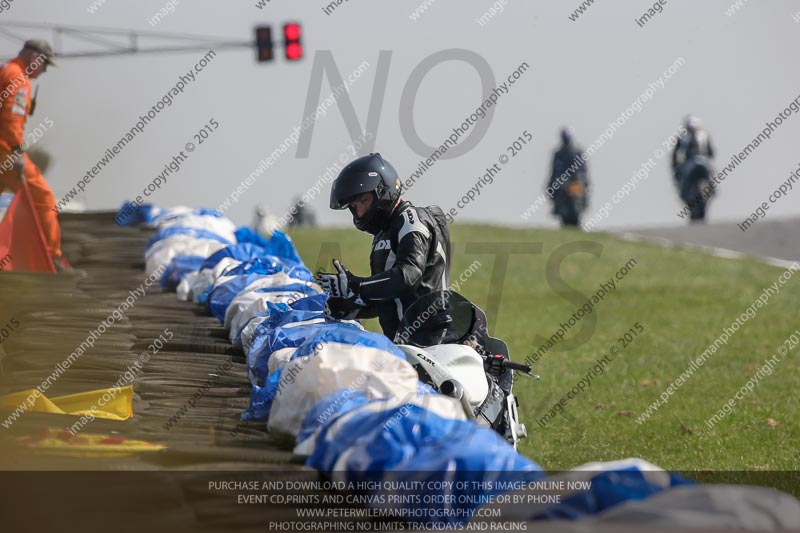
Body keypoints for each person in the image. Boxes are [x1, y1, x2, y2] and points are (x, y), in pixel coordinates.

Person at [316, 153, 451, 340]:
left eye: (364, 201)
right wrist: (351, 310)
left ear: (384, 190)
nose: (360, 211)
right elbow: (391, 299)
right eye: (354, 206)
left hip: (433, 344)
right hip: (401, 346)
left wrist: (355, 285)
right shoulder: (383, 233)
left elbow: (408, 275)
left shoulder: (411, 220)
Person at [0, 39, 63, 268]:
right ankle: (49, 258)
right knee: (44, 200)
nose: (43, 71)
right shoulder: (18, 79)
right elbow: (11, 118)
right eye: (44, 64)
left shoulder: (6, 70)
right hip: (4, 152)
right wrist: (16, 151)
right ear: (34, 57)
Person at [672, 115, 715, 220]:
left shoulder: (683, 136)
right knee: (710, 177)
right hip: (703, 163)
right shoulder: (704, 134)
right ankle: (711, 188)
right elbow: (711, 152)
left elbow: (676, 154)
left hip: (690, 163)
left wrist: (675, 166)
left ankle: (709, 188)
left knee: (682, 184)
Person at [548, 127, 589, 227]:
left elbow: (583, 170)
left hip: (574, 185)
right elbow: (554, 170)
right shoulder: (560, 153)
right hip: (565, 185)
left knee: (577, 205)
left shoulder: (575, 152)